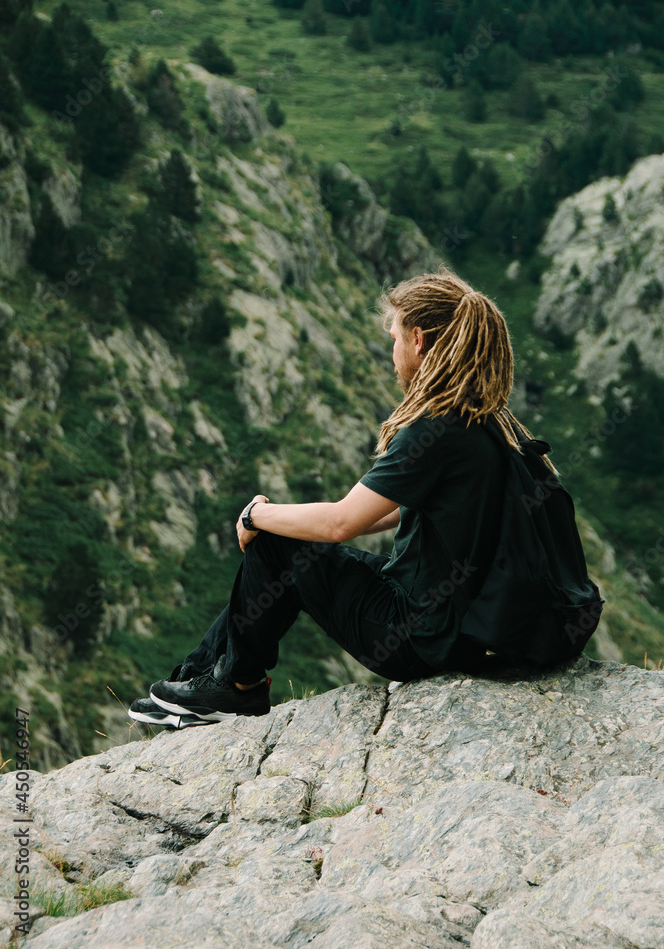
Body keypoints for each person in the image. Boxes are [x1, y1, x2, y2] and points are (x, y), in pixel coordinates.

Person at [128, 269, 559, 729]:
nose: (391, 353)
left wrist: (256, 515)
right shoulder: (486, 417)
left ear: (418, 340)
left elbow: (339, 524)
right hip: (456, 628)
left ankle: (237, 688)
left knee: (277, 544)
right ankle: (199, 682)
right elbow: (392, 509)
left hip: (418, 638)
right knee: (289, 546)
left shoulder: (435, 429)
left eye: (394, 337)